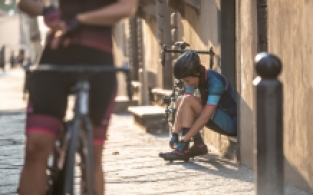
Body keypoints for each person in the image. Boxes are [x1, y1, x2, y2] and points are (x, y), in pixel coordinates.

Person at [17, 0, 138, 195]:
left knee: (93, 154)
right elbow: (24, 3)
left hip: (99, 61)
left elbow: (127, 7)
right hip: (55, 59)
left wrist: (79, 19)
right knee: (36, 147)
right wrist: (47, 10)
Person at [160, 50, 237, 161]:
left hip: (231, 124)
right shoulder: (199, 78)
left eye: (187, 80)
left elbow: (204, 118)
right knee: (181, 99)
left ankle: (184, 149)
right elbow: (182, 104)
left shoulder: (215, 83)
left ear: (196, 72)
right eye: (184, 81)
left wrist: (184, 140)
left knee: (189, 100)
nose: (186, 84)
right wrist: (175, 133)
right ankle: (198, 146)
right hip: (219, 116)